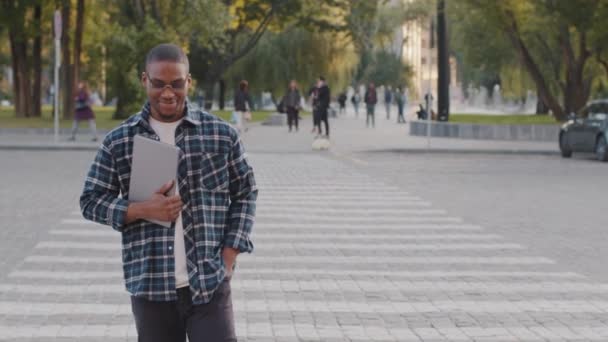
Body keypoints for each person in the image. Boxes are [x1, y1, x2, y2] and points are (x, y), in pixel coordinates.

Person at [79, 43, 257, 342]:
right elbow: (90, 201)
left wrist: (230, 253)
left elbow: (245, 192)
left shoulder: (220, 134)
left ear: (189, 82)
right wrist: (139, 210)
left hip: (209, 284)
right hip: (150, 287)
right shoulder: (120, 141)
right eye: (158, 83)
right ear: (144, 80)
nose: (167, 93)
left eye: (176, 84)